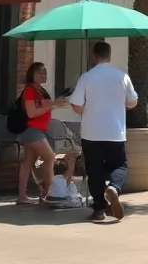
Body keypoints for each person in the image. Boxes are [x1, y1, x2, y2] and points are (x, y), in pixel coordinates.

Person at [71, 41, 138, 222]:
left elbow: (76, 106)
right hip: (115, 131)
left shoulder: (87, 77)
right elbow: (132, 102)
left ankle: (99, 210)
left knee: (94, 171)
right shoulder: (121, 76)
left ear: (94, 57)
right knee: (120, 164)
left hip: (91, 132)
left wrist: (86, 107)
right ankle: (114, 187)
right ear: (109, 56)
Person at [18, 62, 68, 205]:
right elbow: (32, 113)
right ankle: (48, 194)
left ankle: (22, 197)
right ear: (31, 74)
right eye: (40, 72)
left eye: (44, 72)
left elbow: (48, 106)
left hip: (37, 131)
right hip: (32, 130)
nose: (43, 74)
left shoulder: (41, 91)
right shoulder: (29, 91)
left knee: (28, 163)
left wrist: (58, 102)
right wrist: (52, 105)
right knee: (50, 157)